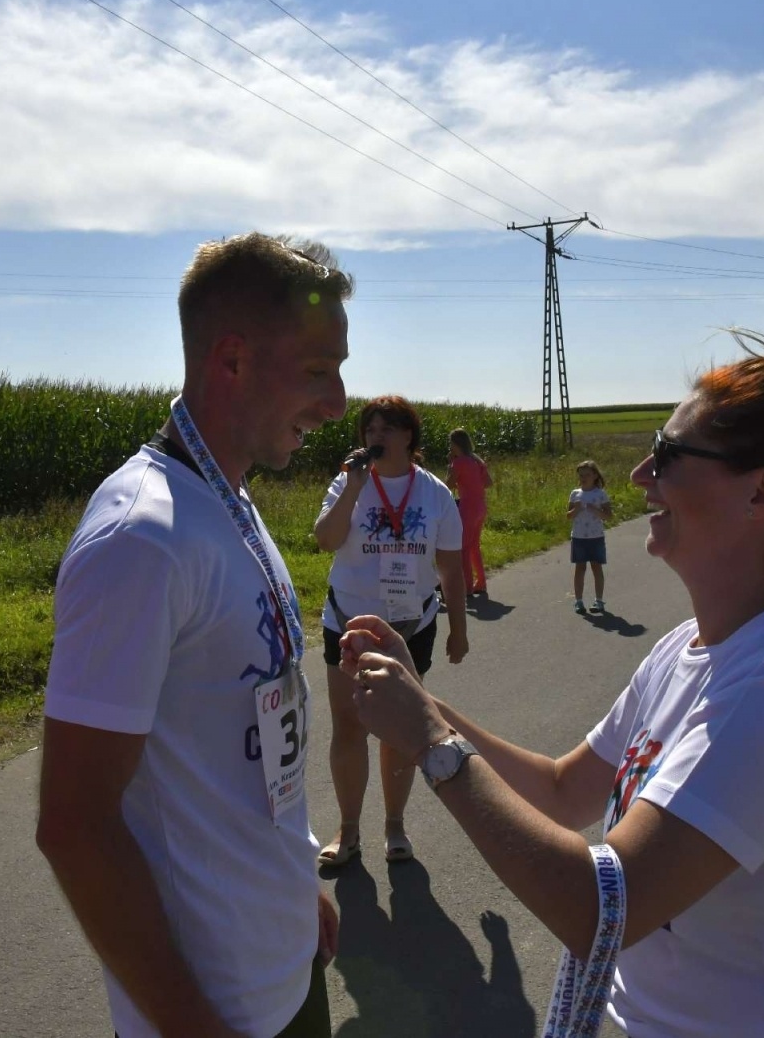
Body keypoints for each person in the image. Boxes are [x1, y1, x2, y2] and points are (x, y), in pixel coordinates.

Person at [341, 333, 764, 1037]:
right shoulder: (690, 647)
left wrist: (432, 743)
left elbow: (603, 909)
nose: (640, 475)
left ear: (762, 491)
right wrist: (420, 702)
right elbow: (561, 790)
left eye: (667, 455)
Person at [36, 234, 349, 1038]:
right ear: (232, 360)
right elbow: (74, 827)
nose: (339, 403)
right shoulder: (141, 539)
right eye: (318, 371)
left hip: (286, 964)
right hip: (217, 1010)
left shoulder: (227, 500)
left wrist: (298, 882)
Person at [314, 396, 467, 867]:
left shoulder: (434, 493)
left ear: (408, 436)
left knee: (397, 729)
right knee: (348, 725)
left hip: (409, 626)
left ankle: (395, 825)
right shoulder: (347, 483)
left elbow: (451, 567)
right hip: (348, 622)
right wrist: (353, 489)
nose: (375, 437)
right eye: (369, 429)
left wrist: (459, 629)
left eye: (386, 428)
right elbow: (325, 540)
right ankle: (348, 830)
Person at [446, 427, 493, 599]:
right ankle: (481, 582)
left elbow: (448, 485)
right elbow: (488, 482)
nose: (450, 447)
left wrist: (451, 467)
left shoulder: (458, 463)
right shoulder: (477, 461)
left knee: (464, 548)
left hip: (467, 507)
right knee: (474, 546)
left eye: (451, 443)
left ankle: (467, 587)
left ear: (456, 444)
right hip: (480, 506)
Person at [566, 459, 613, 613]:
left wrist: (596, 511)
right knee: (580, 568)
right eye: (581, 475)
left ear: (595, 476)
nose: (583, 478)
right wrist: (576, 510)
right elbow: (568, 516)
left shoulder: (600, 494)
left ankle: (599, 601)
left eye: (587, 475)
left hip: (596, 537)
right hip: (578, 537)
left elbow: (608, 516)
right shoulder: (575, 494)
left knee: (596, 567)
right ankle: (578, 601)